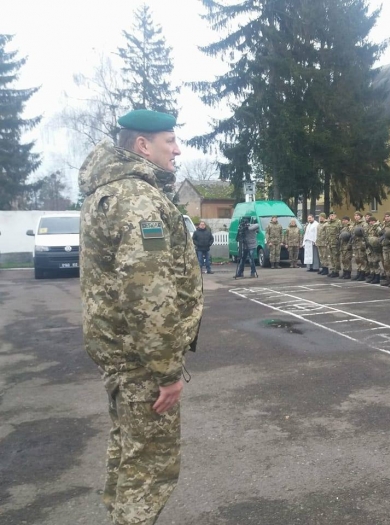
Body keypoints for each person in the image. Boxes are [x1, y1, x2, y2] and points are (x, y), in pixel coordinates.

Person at [79, 109, 204, 525]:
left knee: (128, 457)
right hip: (141, 363)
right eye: (169, 140)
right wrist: (166, 371)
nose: (178, 149)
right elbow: (147, 293)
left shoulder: (107, 193)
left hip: (122, 357)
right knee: (150, 470)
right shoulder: (137, 201)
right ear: (142, 146)